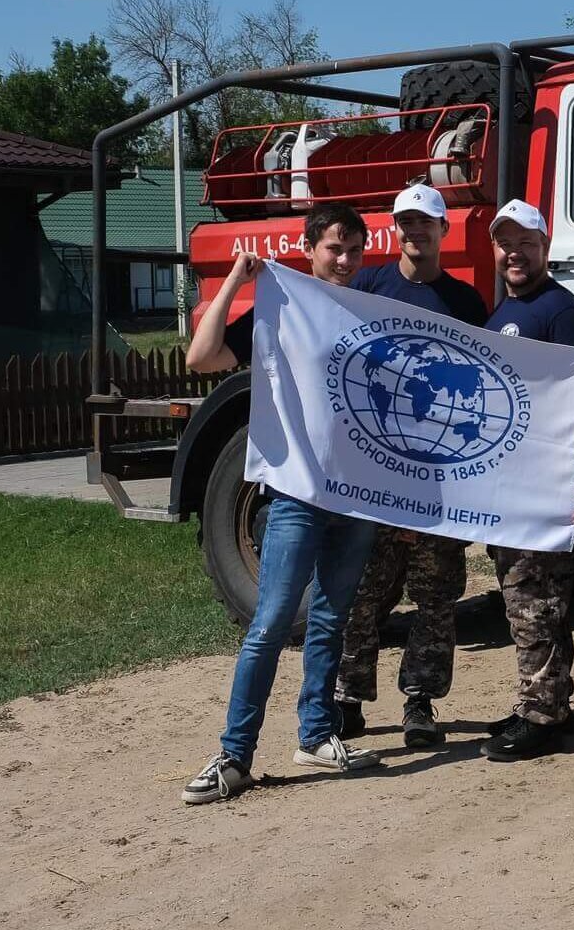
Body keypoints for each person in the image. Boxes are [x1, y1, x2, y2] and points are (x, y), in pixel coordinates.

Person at [179, 201, 380, 803]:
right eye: (334, 249)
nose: (344, 261)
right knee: (269, 625)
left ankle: (315, 735)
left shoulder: (371, 313)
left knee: (331, 618)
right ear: (309, 249)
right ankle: (235, 754)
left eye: (354, 250)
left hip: (356, 497)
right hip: (295, 492)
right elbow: (202, 357)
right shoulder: (283, 308)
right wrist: (235, 282)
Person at [336, 183, 489, 748]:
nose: (414, 230)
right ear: (394, 228)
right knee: (361, 593)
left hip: (437, 478)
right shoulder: (369, 286)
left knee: (436, 597)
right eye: (405, 222)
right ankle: (347, 699)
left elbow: (479, 389)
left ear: (443, 229)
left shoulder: (466, 302)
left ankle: (420, 703)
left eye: (425, 222)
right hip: (375, 477)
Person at [476, 200, 574, 761]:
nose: (515, 253)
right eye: (506, 243)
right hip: (509, 483)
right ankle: (543, 698)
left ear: (545, 248)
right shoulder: (501, 312)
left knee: (538, 599)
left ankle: (544, 715)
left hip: (546, 484)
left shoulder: (561, 312)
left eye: (526, 243)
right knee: (521, 598)